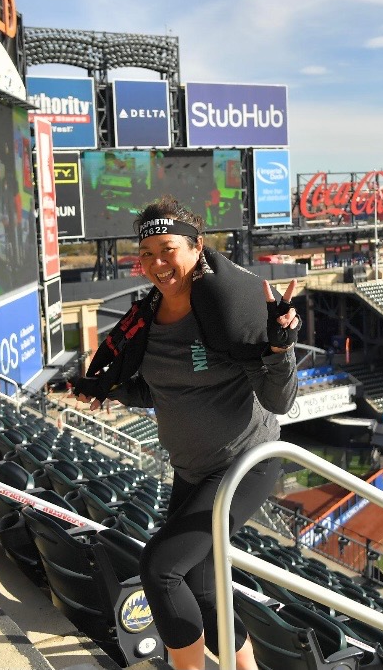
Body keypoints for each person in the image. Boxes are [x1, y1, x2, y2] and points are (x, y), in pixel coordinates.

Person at [73, 196, 299, 670]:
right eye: (147, 253)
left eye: (168, 250)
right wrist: (109, 391)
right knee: (202, 589)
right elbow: (159, 390)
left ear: (197, 248)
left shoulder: (221, 311)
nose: (157, 263)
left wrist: (280, 351)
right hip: (193, 470)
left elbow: (278, 401)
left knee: (160, 570)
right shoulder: (148, 317)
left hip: (243, 464)